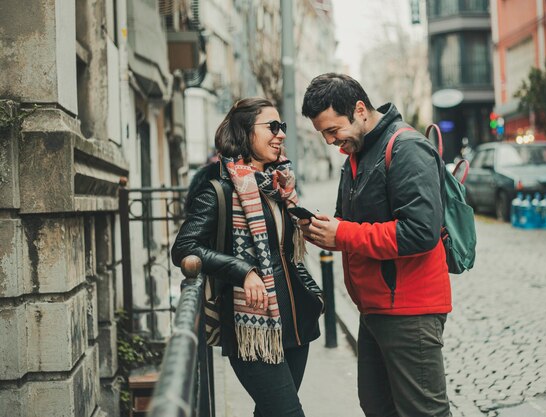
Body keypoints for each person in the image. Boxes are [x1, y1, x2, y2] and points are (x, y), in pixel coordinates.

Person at [300, 73, 452, 417]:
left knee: (423, 411)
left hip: (410, 311)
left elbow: (420, 231)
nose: (329, 140)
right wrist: (324, 229)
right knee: (377, 406)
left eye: (333, 129)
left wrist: (342, 235)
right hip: (374, 309)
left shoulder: (407, 148)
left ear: (359, 110)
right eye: (323, 132)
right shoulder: (356, 154)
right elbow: (351, 224)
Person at [171, 97, 324, 417]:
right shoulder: (217, 187)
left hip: (297, 322)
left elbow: (286, 250)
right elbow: (185, 247)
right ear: (244, 132)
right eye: (271, 127)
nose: (280, 134)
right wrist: (242, 270)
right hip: (252, 326)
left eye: (281, 127)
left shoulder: (280, 185)